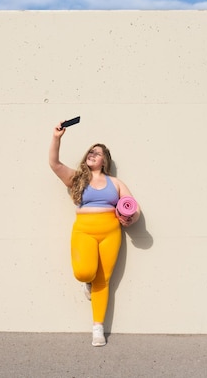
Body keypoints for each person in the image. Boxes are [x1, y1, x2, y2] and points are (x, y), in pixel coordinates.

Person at [49, 121, 140, 347]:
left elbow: (133, 208)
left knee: (104, 280)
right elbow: (54, 163)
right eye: (90, 151)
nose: (92, 153)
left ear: (104, 161)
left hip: (111, 233)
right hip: (84, 231)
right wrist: (56, 138)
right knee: (84, 272)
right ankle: (86, 282)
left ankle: (97, 328)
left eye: (97, 153)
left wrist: (130, 218)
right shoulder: (77, 178)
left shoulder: (116, 183)